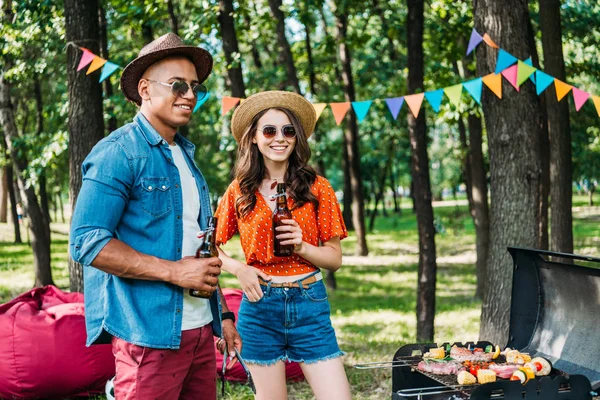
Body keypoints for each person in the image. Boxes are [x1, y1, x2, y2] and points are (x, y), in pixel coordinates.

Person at [70, 33, 240, 400]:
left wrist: (222, 314)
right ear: (145, 89)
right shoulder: (118, 152)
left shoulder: (187, 158)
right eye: (178, 84)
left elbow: (199, 243)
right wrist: (174, 271)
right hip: (148, 335)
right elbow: (86, 241)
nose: (190, 94)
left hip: (199, 332)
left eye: (196, 86)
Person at [214, 91, 352, 400]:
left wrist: (301, 246)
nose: (280, 138)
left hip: (309, 303)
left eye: (288, 130)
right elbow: (211, 247)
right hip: (260, 306)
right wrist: (239, 269)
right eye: (270, 130)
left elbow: (334, 259)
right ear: (254, 138)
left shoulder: (318, 187)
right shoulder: (240, 190)